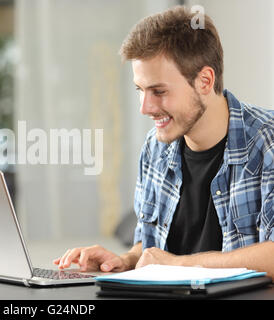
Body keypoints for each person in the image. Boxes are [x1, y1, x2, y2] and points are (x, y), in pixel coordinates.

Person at [53, 6, 274, 278]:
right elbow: (150, 248)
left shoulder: (267, 143)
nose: (145, 108)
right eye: (140, 90)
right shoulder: (155, 148)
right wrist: (124, 260)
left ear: (205, 81)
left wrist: (178, 264)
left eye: (158, 91)